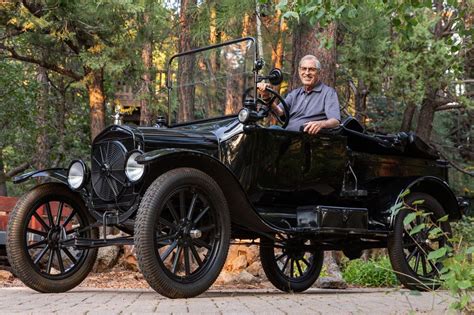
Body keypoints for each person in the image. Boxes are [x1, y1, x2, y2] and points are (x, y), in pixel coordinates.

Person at [257, 55, 341, 135]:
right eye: (304, 69)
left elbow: (335, 121)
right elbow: (279, 112)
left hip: (306, 140)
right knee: (257, 131)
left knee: (273, 130)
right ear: (299, 71)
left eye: (311, 69)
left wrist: (321, 124)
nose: (307, 73)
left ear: (318, 72)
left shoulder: (328, 93)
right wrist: (266, 96)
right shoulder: (295, 94)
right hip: (287, 136)